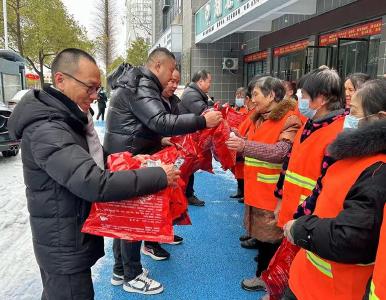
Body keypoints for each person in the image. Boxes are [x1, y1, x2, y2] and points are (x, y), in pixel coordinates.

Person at [7, 48, 181, 299]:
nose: (94, 95)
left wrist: (131, 162)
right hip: (62, 243)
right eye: (89, 87)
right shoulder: (48, 128)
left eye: (98, 88)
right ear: (60, 80)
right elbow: (92, 182)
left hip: (69, 234)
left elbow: (93, 163)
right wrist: (158, 177)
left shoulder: (69, 118)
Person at [104, 48, 222, 292]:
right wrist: (202, 121)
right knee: (134, 216)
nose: (171, 78)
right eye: (170, 71)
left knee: (125, 216)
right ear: (158, 66)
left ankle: (120, 270)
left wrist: (158, 142)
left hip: (125, 157)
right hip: (129, 159)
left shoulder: (137, 82)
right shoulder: (141, 85)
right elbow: (160, 121)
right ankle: (132, 275)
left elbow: (142, 125)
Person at [284, 79, 386, 300]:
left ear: (380, 119)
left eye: (354, 112)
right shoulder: (352, 154)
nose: (348, 118)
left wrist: (302, 229)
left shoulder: (378, 171)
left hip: (336, 289)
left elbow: (351, 237)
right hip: (308, 278)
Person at [255, 67, 346, 299]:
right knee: (286, 262)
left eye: (305, 96)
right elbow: (289, 165)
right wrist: (279, 201)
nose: (300, 100)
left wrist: (301, 217)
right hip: (292, 211)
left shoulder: (338, 134)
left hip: (311, 218)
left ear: (322, 98)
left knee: (302, 271)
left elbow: (327, 185)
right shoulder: (309, 123)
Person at [225, 76, 301, 291]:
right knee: (264, 238)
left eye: (256, 94)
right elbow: (250, 140)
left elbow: (281, 152)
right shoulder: (259, 117)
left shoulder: (289, 119)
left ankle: (265, 277)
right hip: (257, 189)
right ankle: (265, 271)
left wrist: (244, 145)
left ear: (271, 95)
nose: (252, 99)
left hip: (273, 193)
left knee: (272, 240)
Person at [179, 69, 212, 206]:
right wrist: (211, 106)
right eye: (209, 81)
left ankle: (186, 193)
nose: (210, 84)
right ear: (201, 81)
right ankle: (185, 195)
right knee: (186, 166)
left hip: (188, 136)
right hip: (185, 137)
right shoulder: (192, 94)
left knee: (189, 167)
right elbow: (204, 112)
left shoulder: (195, 93)